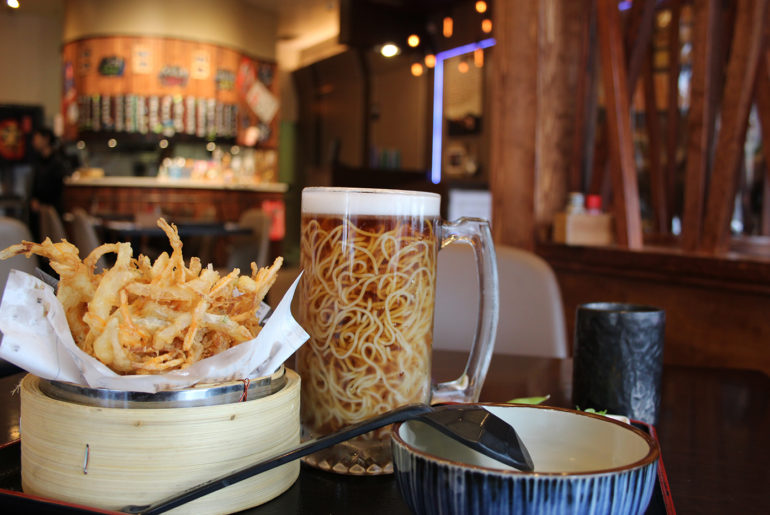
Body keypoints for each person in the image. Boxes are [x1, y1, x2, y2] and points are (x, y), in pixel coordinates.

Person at [29, 127, 68, 239]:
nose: (33, 142)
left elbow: (57, 188)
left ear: (46, 139)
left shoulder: (58, 161)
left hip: (52, 210)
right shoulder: (38, 161)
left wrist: (41, 203)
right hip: (37, 212)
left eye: (36, 138)